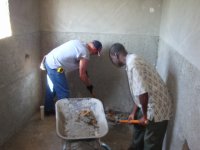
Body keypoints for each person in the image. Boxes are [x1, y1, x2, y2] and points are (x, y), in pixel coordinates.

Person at [109, 43, 172, 150]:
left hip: (157, 108)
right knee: (138, 127)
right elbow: (138, 91)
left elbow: (143, 93)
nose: (113, 62)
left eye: (112, 58)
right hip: (149, 102)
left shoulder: (133, 65)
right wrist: (133, 112)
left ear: (116, 55)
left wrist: (145, 117)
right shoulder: (132, 59)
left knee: (151, 142)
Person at [40, 40, 102, 115]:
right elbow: (82, 75)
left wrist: (87, 78)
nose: (94, 54)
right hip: (55, 66)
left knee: (52, 88)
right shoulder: (85, 53)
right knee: (64, 93)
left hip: (50, 61)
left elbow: (82, 69)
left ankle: (48, 110)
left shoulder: (80, 43)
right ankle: (65, 117)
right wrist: (89, 86)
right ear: (95, 49)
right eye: (96, 53)